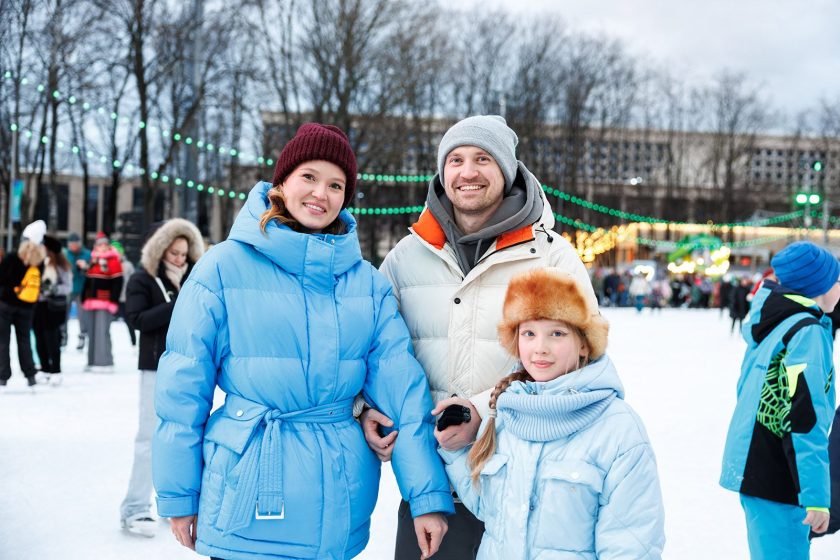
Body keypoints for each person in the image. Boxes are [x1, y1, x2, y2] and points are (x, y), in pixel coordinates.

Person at [153, 123, 454, 560]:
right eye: (309, 177)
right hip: (247, 483)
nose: (321, 193)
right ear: (283, 182)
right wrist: (179, 495)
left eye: (336, 185)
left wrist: (426, 497)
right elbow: (182, 388)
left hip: (337, 493)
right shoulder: (222, 267)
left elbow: (404, 394)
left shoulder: (367, 286)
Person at [361, 115, 595, 559]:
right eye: (455, 159)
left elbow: (579, 363)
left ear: (506, 171)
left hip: (521, 482)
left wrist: (483, 411)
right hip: (431, 489)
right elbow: (369, 349)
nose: (467, 172)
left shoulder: (550, 257)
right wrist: (365, 408)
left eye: (482, 158)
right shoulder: (406, 258)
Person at [440, 268, 665, 558]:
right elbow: (490, 509)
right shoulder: (507, 413)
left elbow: (632, 542)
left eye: (556, 333)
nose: (540, 348)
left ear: (584, 343)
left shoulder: (618, 429)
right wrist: (456, 451)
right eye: (529, 333)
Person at [720, 241, 839, 559]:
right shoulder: (806, 333)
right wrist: (814, 496)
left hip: (758, 469)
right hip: (782, 480)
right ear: (820, 287)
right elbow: (805, 418)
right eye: (837, 281)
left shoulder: (776, 325)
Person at [120, 219, 204, 537]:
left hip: (190, 369)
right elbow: (137, 319)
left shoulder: (194, 280)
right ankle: (134, 507)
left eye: (184, 254)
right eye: (173, 253)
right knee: (148, 438)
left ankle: (179, 506)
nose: (179, 259)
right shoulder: (143, 280)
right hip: (155, 367)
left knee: (185, 438)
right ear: (160, 250)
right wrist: (177, 305)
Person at [0, 237, 46, 390]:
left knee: (3, 341)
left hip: (5, 305)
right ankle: (30, 375)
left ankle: (2, 377)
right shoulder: (38, 262)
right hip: (26, 307)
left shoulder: (11, 258)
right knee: (24, 340)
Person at [32, 235, 71, 385]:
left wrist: (53, 289)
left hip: (53, 308)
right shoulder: (37, 264)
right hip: (38, 306)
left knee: (52, 339)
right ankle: (44, 368)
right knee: (39, 337)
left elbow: (68, 287)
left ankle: (56, 370)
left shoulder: (61, 267)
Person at [81, 233, 123, 371]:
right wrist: (84, 297)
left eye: (105, 244)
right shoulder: (93, 260)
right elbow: (87, 281)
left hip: (105, 302)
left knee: (102, 331)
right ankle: (92, 361)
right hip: (91, 302)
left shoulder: (114, 261)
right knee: (92, 332)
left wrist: (113, 301)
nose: (102, 247)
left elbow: (117, 283)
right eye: (100, 244)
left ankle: (104, 362)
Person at [65, 232, 91, 350]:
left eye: (75, 244)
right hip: (68, 289)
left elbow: (91, 270)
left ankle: (82, 336)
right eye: (71, 244)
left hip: (82, 289)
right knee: (64, 314)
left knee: (82, 315)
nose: (73, 247)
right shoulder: (65, 254)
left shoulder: (87, 254)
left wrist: (85, 268)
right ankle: (63, 335)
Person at [111, 241, 137, 347]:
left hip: (125, 297)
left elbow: (134, 280)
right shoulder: (109, 264)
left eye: (118, 252)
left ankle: (133, 341)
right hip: (112, 298)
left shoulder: (127, 265)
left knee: (128, 321)